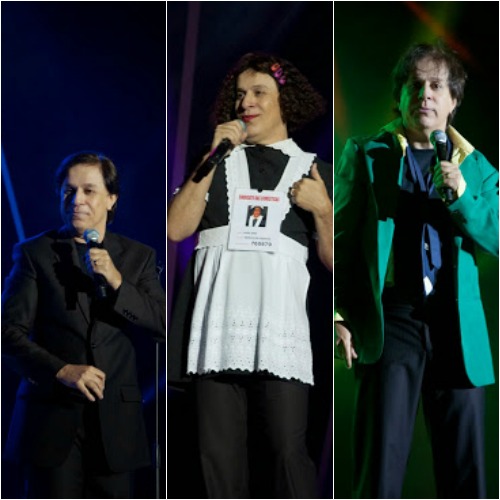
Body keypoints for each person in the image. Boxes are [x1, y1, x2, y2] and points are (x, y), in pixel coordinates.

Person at [334, 41, 498, 498]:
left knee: (465, 474)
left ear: (453, 100)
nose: (425, 93)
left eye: (436, 85)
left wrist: (463, 196)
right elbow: (341, 241)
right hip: (394, 318)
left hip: (456, 323)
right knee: (380, 469)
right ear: (401, 96)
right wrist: (339, 313)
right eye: (415, 84)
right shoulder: (367, 153)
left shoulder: (477, 168)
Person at [167, 52, 332, 498]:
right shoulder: (213, 163)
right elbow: (176, 228)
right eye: (240, 94)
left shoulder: (314, 170)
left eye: (259, 92)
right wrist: (209, 158)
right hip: (217, 330)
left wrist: (322, 209)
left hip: (280, 335)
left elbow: (337, 261)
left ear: (285, 101)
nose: (246, 103)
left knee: (286, 452)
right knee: (217, 459)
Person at [2, 151, 166, 499]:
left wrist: (117, 282)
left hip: (116, 427)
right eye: (69, 190)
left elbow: (162, 323)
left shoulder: (138, 257)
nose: (77, 200)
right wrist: (61, 370)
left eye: (89, 190)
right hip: (51, 421)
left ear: (111, 198)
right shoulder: (34, 253)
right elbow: (7, 334)